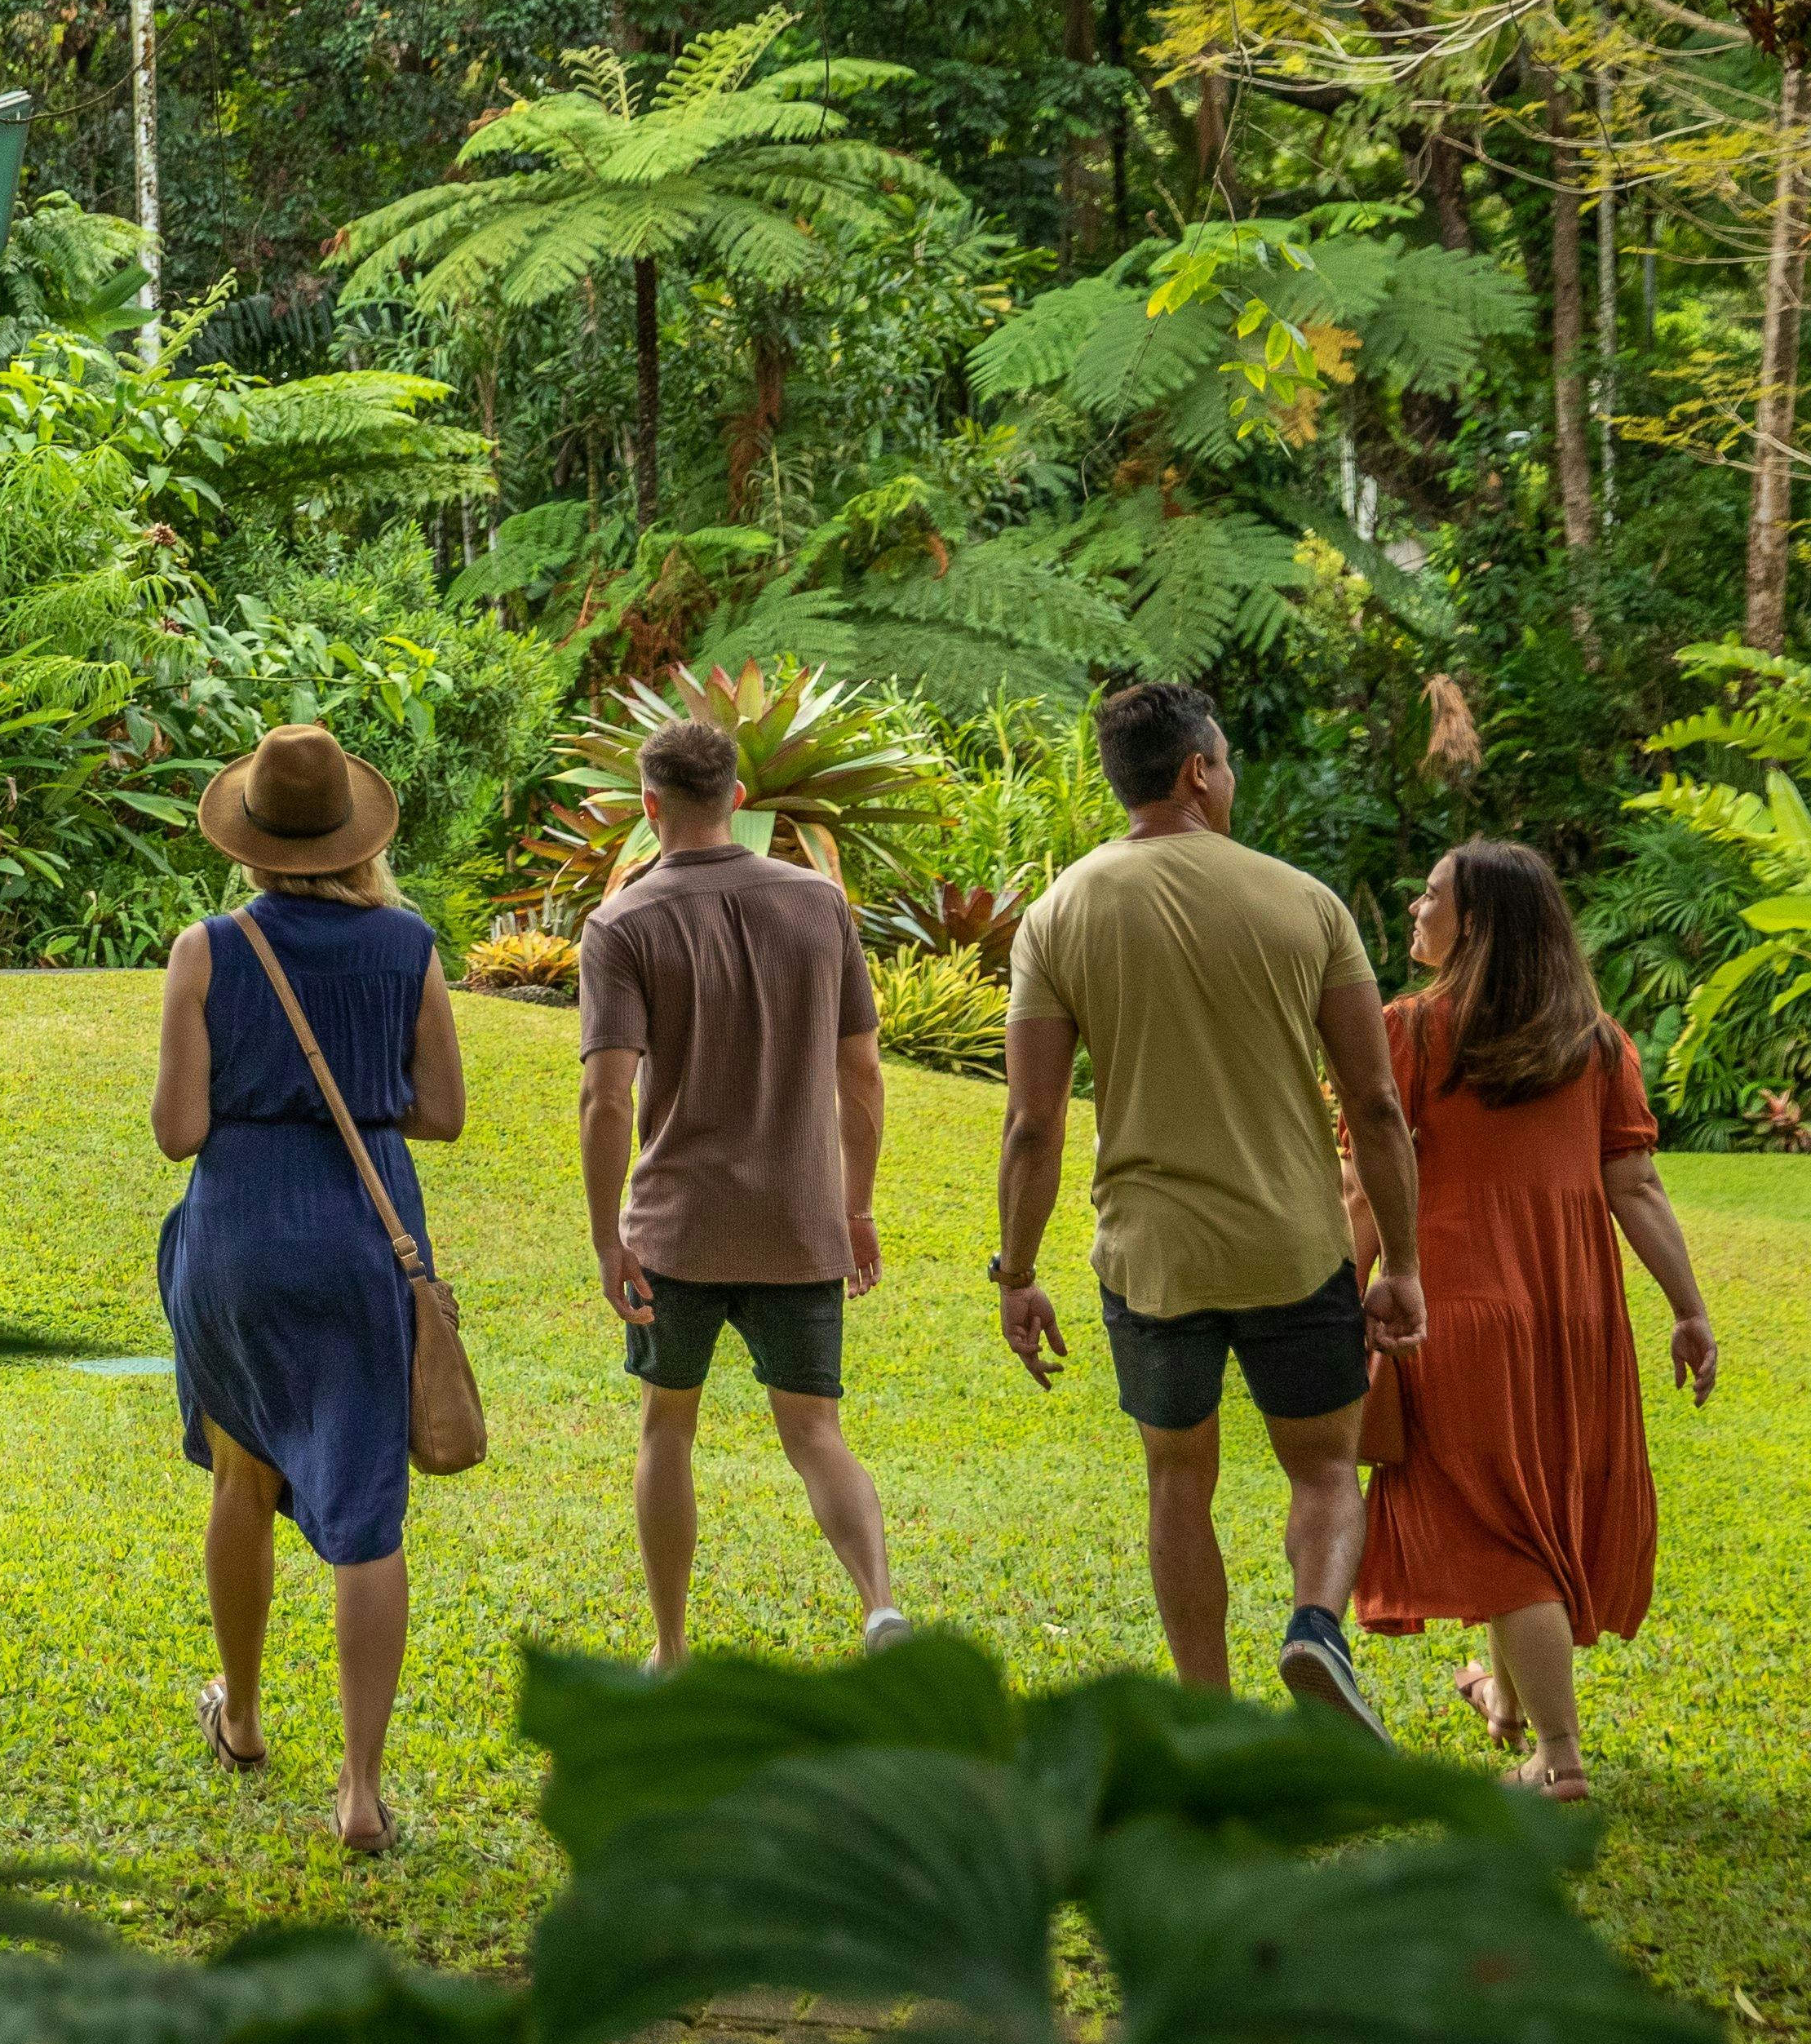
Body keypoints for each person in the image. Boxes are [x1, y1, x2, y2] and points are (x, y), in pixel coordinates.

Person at [992, 678, 1429, 1737]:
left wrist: (1017, 1272)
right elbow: (1375, 1103)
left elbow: (1033, 1127)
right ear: (1198, 770)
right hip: (1293, 1245)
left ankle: (1208, 1718)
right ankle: (1316, 1626)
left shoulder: (1060, 914)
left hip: (1152, 1258)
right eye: (1225, 763)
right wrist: (1402, 1263)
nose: (1228, 779)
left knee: (1177, 1478)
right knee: (1324, 1467)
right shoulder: (1306, 903)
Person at [152, 720, 468, 1856]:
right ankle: (363, 1793)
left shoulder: (209, 948)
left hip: (240, 1241)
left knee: (243, 1478)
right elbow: (443, 1114)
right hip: (363, 1240)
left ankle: (239, 1719)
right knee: (368, 1514)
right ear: (357, 835)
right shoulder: (410, 946)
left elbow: (177, 1133)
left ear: (252, 840)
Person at [1354, 837, 1723, 1800]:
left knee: (1505, 1531)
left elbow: (1363, 1187)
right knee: (1523, 1502)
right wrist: (1688, 1309)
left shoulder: (1410, 1033)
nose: (1415, 910)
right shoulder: (1595, 1043)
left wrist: (1342, 1292)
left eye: (1429, 896)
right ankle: (1507, 1705)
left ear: (1472, 922)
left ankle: (1558, 1758)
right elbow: (1634, 1184)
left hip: (1456, 1308)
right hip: (1575, 1319)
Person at [572, 707, 911, 1669]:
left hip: (675, 1228)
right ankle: (880, 1605)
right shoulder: (818, 904)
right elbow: (864, 1075)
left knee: (666, 1425)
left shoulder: (623, 920)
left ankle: (672, 1649)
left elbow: (605, 1095)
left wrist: (608, 1238)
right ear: (741, 799)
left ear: (649, 806)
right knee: (815, 1430)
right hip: (800, 1222)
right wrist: (856, 1206)